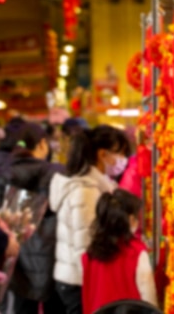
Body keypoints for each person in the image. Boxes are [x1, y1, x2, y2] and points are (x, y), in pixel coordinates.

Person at [49, 125, 130, 314]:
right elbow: (85, 244)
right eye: (120, 153)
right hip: (79, 280)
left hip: (75, 278)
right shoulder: (86, 191)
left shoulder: (95, 186)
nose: (123, 160)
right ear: (103, 154)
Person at [0, 123, 66, 313]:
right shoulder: (57, 173)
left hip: (14, 256)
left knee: (20, 307)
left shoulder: (1, 173)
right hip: (53, 257)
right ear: (43, 144)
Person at [82, 190, 157, 314]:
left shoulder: (91, 252)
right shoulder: (137, 252)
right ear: (131, 219)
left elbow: (87, 297)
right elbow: (149, 300)